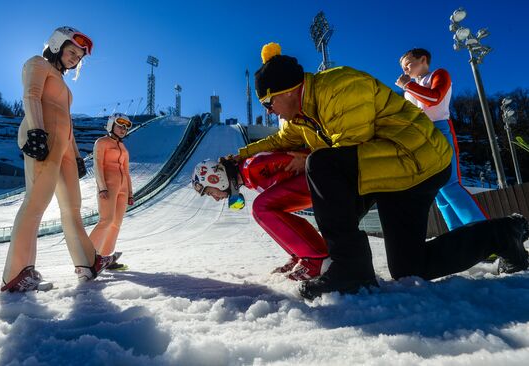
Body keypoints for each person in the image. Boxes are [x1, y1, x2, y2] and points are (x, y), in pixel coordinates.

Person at [236, 42, 529, 300]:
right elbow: (279, 141)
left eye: (268, 101)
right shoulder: (301, 115)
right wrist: (233, 161)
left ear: (288, 91)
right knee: (409, 268)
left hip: (416, 157)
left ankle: (350, 267)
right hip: (387, 172)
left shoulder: (339, 87)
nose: (269, 110)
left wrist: (306, 158)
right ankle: (504, 234)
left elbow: (351, 148)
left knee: (321, 164)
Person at [1, 27, 119, 292]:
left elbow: (68, 122)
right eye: (72, 51)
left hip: (63, 145)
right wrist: (36, 132)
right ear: (57, 45)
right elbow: (30, 95)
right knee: (36, 202)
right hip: (43, 136)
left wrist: (76, 156)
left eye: (79, 56)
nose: (76, 58)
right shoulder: (37, 63)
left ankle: (87, 262)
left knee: (72, 207)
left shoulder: (63, 84)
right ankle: (16, 273)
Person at [191, 151, 329, 280]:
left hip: (321, 178)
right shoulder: (248, 176)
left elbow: (297, 158)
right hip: (312, 182)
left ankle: (315, 260)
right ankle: (302, 255)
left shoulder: (253, 167)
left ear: (215, 179)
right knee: (267, 208)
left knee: (261, 207)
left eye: (210, 192)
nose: (215, 198)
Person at [395, 48, 489, 230]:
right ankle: (458, 235)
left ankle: (484, 232)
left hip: (439, 128)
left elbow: (434, 98)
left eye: (408, 64)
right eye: (403, 67)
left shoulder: (439, 74)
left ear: (423, 59)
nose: (405, 70)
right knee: (437, 190)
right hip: (420, 137)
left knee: (450, 183)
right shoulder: (409, 91)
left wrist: (408, 85)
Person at [89, 113, 134, 270]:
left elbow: (126, 171)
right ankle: (87, 256)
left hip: (122, 188)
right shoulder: (102, 142)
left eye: (126, 127)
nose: (123, 129)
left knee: (116, 224)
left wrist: (130, 193)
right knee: (106, 220)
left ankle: (106, 257)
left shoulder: (123, 148)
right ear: (111, 125)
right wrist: (102, 186)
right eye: (120, 125)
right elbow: (98, 165)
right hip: (108, 186)